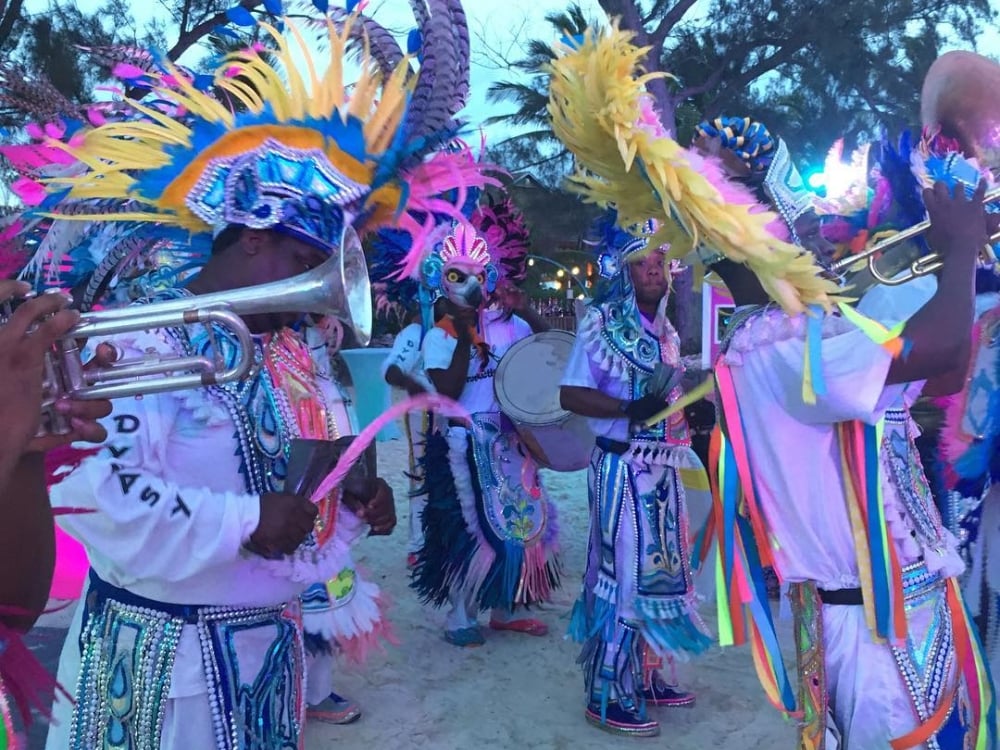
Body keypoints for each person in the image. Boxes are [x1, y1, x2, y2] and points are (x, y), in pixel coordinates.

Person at [22, 10, 486, 747]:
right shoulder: (139, 338)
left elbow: (298, 503)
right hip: (158, 676)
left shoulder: (287, 353)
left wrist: (353, 504)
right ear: (256, 237)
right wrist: (246, 520)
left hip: (266, 664)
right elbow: (95, 499)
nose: (323, 289)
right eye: (311, 264)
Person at [698, 114, 996, 747]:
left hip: (893, 611)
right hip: (873, 629)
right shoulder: (779, 344)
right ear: (757, 243)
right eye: (803, 229)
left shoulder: (809, 337)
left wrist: (961, 258)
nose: (825, 241)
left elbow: (946, 372)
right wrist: (962, 244)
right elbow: (939, 349)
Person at [559, 215, 713, 737]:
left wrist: (685, 413)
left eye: (658, 262)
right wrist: (630, 407)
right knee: (623, 577)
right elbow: (570, 394)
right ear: (623, 267)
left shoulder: (667, 332)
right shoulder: (600, 321)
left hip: (664, 472)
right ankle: (606, 690)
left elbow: (665, 399)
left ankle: (645, 675)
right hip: (621, 469)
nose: (652, 269)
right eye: (641, 261)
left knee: (661, 577)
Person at [411, 222, 562, 647]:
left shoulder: (507, 324)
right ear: (441, 280)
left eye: (477, 275)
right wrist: (462, 334)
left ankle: (505, 608)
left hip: (511, 443)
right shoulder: (438, 336)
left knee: (519, 525)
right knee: (469, 530)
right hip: (463, 443)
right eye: (457, 276)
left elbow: (549, 348)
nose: (470, 286)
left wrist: (525, 308)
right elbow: (447, 391)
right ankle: (460, 614)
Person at [382, 305, 439, 568]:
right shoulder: (415, 331)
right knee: (421, 477)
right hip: (423, 415)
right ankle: (419, 545)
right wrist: (410, 384)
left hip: (453, 414)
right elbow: (392, 370)